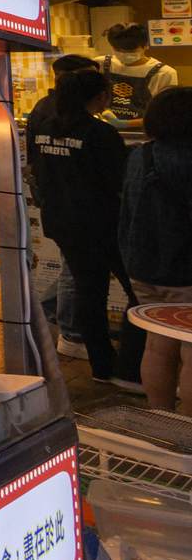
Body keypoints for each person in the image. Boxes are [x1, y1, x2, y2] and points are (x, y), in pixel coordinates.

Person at [28, 69, 137, 388]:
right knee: (139, 292)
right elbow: (119, 182)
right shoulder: (99, 133)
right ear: (100, 97)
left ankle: (102, 366)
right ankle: (130, 369)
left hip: (63, 222)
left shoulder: (46, 128)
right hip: (103, 224)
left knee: (90, 294)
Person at [121, 87, 192, 414]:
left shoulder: (139, 154)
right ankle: (188, 432)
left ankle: (160, 418)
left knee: (158, 344)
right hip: (184, 270)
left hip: (142, 268)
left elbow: (126, 211)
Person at [102, 22, 178, 127]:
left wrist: (124, 124)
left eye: (131, 51)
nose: (124, 54)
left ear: (146, 45)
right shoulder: (102, 64)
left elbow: (165, 115)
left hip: (145, 133)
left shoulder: (164, 73)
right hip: (106, 130)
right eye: (118, 50)